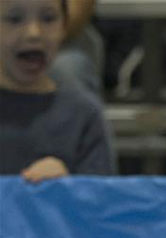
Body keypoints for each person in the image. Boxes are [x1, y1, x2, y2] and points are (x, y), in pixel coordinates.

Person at [0, 0, 115, 182]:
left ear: (64, 27)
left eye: (48, 18)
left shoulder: (83, 114)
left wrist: (66, 188)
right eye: (15, 19)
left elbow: (101, 202)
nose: (34, 33)